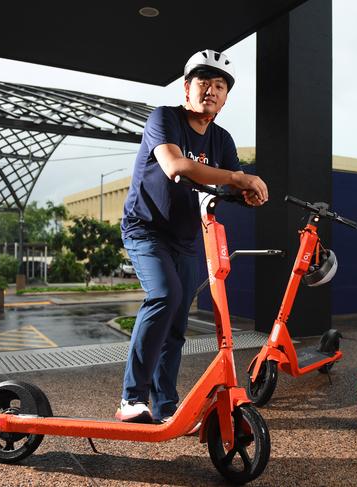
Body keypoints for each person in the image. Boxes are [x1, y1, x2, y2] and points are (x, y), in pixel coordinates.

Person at [116, 49, 268, 423]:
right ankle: (130, 399)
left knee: (176, 325)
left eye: (219, 85)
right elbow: (175, 165)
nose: (210, 91)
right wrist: (237, 178)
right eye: (203, 83)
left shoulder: (221, 139)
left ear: (226, 97)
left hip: (185, 238)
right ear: (187, 88)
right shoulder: (164, 119)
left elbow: (231, 186)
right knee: (163, 296)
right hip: (145, 228)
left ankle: (167, 406)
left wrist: (248, 192)